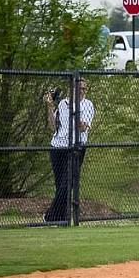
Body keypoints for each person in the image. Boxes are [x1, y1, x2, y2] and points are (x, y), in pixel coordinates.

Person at [44, 78, 94, 224]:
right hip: (57, 148)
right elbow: (53, 127)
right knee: (60, 186)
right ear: (71, 89)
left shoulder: (88, 105)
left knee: (68, 185)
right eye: (80, 89)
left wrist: (74, 112)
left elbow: (83, 127)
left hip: (76, 149)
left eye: (85, 89)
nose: (83, 92)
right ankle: (62, 219)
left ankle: (49, 217)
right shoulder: (62, 104)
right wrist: (49, 107)